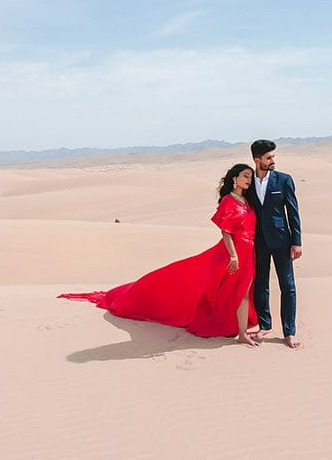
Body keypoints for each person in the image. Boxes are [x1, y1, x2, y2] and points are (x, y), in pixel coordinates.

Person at [59, 164, 260, 346]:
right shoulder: (228, 201)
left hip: (249, 252)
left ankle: (241, 332)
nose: (248, 179)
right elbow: (226, 232)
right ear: (234, 178)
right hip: (231, 254)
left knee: (243, 292)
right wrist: (233, 255)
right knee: (211, 286)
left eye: (250, 176)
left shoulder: (247, 201)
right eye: (245, 175)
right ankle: (238, 331)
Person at [245, 139, 303, 348]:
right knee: (261, 284)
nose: (273, 161)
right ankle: (265, 324)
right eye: (269, 157)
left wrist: (296, 241)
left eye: (273, 157)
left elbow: (293, 213)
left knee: (287, 286)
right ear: (257, 159)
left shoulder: (284, 180)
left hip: (282, 240)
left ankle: (289, 332)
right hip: (257, 242)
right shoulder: (248, 181)